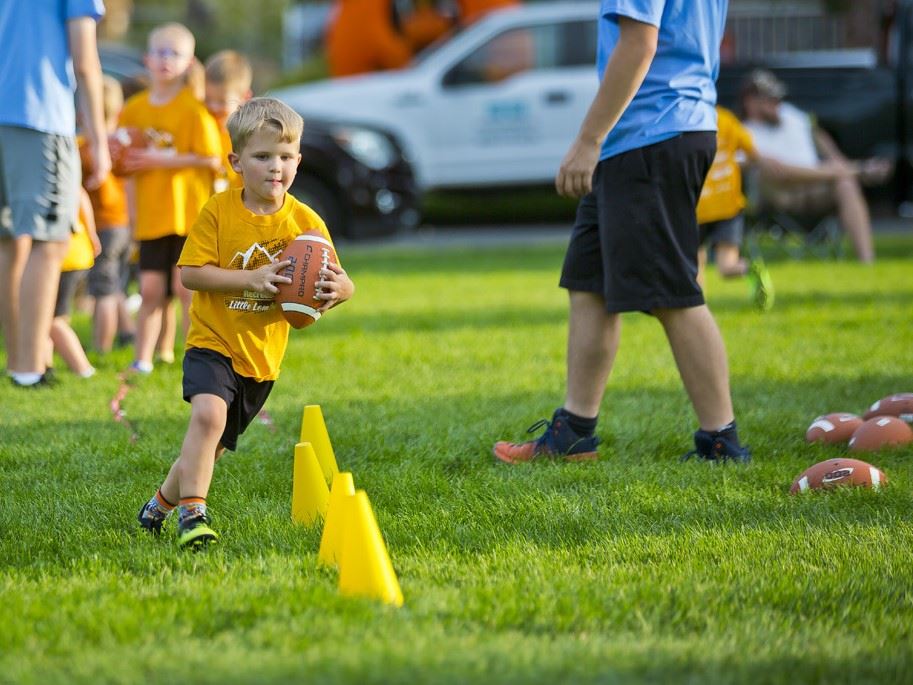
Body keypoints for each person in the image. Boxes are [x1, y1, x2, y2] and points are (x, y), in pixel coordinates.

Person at [493, 0, 752, 464]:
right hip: (648, 134)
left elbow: (639, 42)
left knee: (670, 293)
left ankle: (722, 441)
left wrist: (587, 140)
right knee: (588, 281)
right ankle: (574, 432)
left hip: (651, 132)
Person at [136, 98, 355, 549]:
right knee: (208, 416)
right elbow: (192, 274)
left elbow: (337, 277)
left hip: (261, 360)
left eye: (285, 157)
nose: (275, 167)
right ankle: (193, 515)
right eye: (262, 157)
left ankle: (158, 505)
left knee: (208, 447)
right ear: (236, 162)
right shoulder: (218, 211)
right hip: (213, 341)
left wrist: (341, 291)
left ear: (298, 160)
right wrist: (251, 279)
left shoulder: (306, 224)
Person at [0, 0, 110, 387]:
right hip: (39, 115)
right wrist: (98, 140)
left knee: (9, 240)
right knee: (50, 241)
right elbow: (85, 62)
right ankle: (29, 369)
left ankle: (18, 360)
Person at [117, 22, 222, 374]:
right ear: (147, 58)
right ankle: (143, 358)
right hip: (151, 215)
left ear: (189, 61)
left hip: (188, 216)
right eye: (159, 51)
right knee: (150, 291)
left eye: (173, 53)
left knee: (185, 291)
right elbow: (127, 165)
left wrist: (162, 159)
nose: (164, 59)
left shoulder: (194, 109)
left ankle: (193, 358)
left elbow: (212, 159)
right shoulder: (134, 109)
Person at [740, 69, 891, 264]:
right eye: (770, 99)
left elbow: (818, 134)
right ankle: (857, 171)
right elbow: (781, 173)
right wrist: (854, 169)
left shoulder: (791, 115)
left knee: (845, 183)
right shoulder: (744, 132)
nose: (777, 103)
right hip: (783, 199)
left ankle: (867, 262)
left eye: (777, 97)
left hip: (819, 190)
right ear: (750, 102)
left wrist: (840, 163)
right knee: (773, 171)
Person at [696, 106, 775, 310]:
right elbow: (753, 154)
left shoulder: (690, 119)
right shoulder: (726, 119)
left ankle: (699, 310)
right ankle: (748, 269)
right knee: (721, 268)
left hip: (710, 208)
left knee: (707, 267)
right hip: (716, 208)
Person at [80, 75, 135, 354]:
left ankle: (100, 349)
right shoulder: (124, 142)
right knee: (115, 284)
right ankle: (127, 332)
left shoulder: (85, 147)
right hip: (124, 223)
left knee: (102, 290)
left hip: (101, 226)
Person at [49, 188, 101, 378]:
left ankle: (83, 369)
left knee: (50, 319)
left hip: (66, 257)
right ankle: (45, 366)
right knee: (57, 317)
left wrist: (92, 232)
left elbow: (80, 194)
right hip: (72, 254)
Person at [203, 50, 254, 193]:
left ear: (245, 97)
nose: (213, 107)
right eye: (207, 99)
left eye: (222, 102)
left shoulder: (246, 138)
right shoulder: (202, 126)